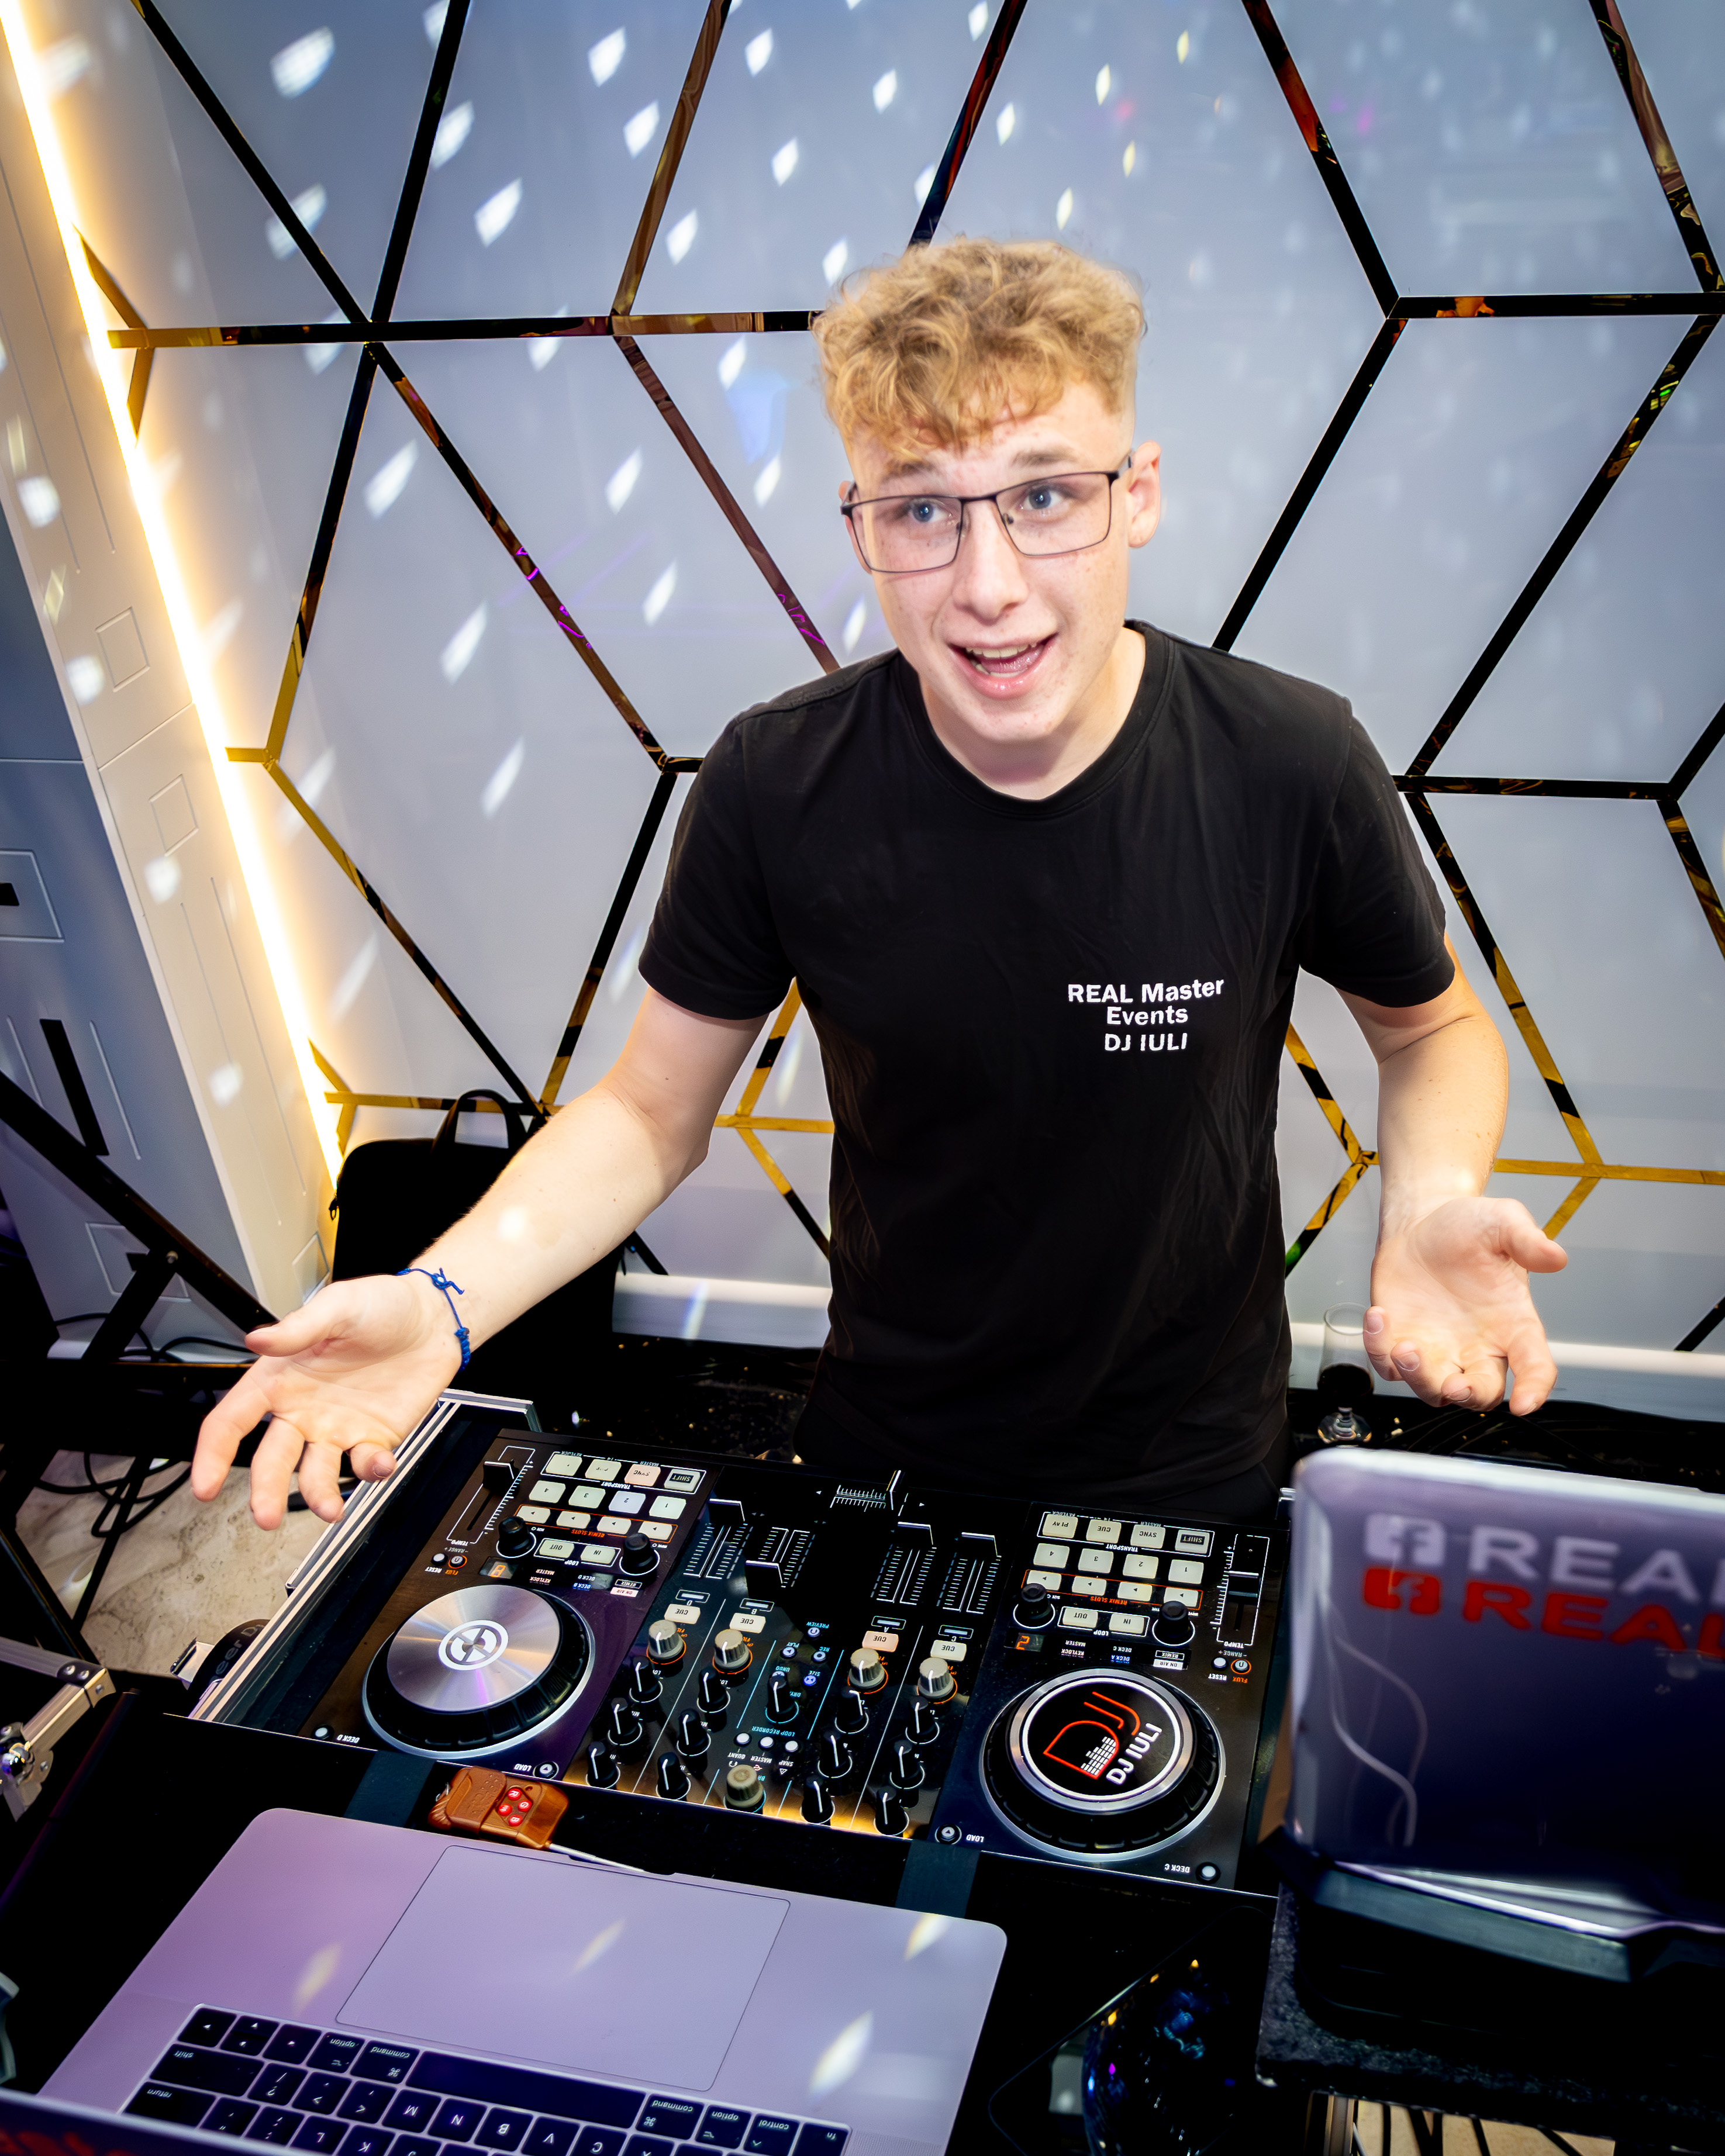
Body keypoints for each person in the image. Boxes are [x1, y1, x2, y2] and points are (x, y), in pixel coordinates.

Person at [192, 239, 1566, 1534]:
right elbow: (648, 1110)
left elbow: (1428, 1026)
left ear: (1135, 493)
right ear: (857, 526)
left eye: (1043, 495)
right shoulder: (772, 781)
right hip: (886, 1439)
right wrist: (442, 1300)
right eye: (920, 509)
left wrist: (1427, 1202)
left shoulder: (1287, 758)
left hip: (1188, 1454)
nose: (987, 586)